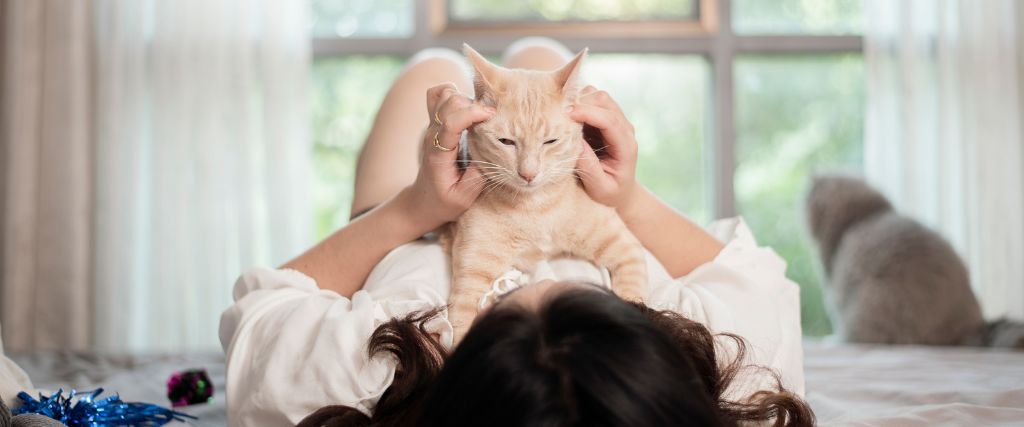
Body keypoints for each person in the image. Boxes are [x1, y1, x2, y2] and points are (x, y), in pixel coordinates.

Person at [219, 37, 813, 427]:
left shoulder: (370, 370)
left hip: (410, 231)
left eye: (520, 333)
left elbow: (263, 304)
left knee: (431, 67)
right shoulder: (733, 372)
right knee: (541, 56)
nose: (536, 293)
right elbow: (756, 280)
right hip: (558, 185)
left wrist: (410, 210)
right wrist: (627, 198)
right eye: (583, 323)